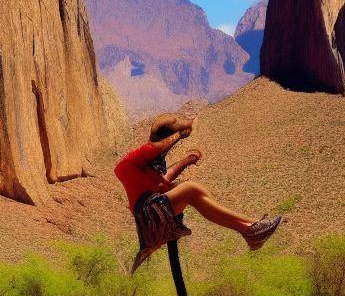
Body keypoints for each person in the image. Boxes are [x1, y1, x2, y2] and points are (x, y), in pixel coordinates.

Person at [114, 113, 281, 273]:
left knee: (195, 190)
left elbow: (164, 179)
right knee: (191, 189)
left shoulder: (149, 165)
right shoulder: (140, 155)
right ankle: (252, 230)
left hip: (154, 214)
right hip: (149, 217)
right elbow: (156, 152)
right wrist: (180, 134)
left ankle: (250, 228)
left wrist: (188, 160)